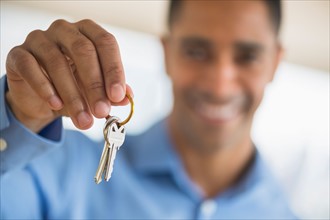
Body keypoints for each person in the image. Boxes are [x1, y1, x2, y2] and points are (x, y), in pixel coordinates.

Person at [0, 0, 298, 219]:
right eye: (196, 52)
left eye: (247, 57)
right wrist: (20, 115)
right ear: (167, 54)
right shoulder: (55, 167)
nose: (220, 85)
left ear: (275, 62)